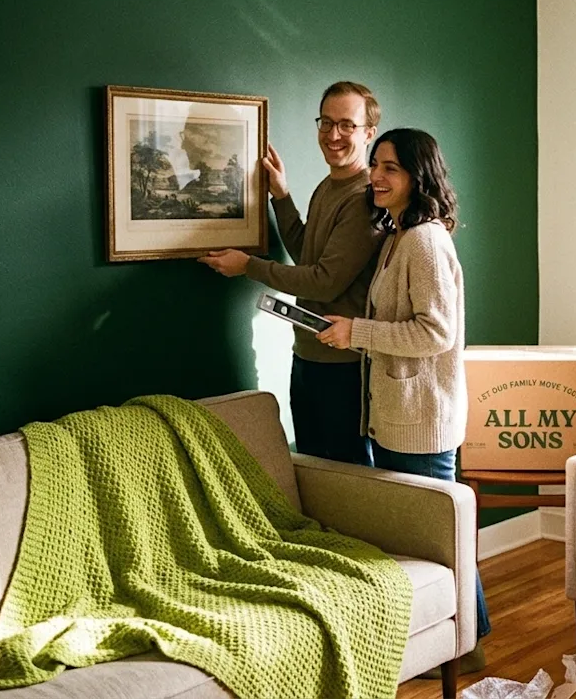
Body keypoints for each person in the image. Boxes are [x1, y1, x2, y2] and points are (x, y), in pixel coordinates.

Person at [315, 128, 490, 672]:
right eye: (375, 166)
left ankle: (466, 645)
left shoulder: (424, 241)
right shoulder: (397, 234)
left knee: (441, 540)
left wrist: (358, 333)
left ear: (419, 176)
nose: (377, 177)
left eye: (390, 168)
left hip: (424, 418)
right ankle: (455, 635)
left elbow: (435, 332)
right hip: (399, 413)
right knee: (422, 536)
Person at [199, 82, 383, 466]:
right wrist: (281, 197)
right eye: (326, 123)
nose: (333, 135)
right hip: (309, 354)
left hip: (343, 366)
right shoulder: (329, 186)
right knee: (313, 468)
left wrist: (249, 266)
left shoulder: (363, 199)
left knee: (348, 475)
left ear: (369, 133)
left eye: (347, 125)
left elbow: (323, 280)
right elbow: (306, 256)